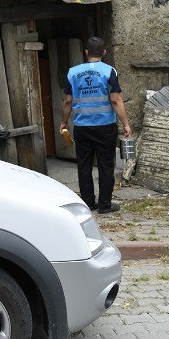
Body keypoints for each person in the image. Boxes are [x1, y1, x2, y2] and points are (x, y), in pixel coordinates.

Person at [60, 37, 132, 214]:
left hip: (82, 127)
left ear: (86, 53)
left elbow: (68, 101)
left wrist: (63, 122)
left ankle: (88, 203)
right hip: (105, 127)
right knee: (105, 165)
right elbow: (115, 99)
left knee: (84, 165)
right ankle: (105, 205)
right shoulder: (109, 71)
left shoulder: (72, 73)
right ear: (104, 53)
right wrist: (126, 124)